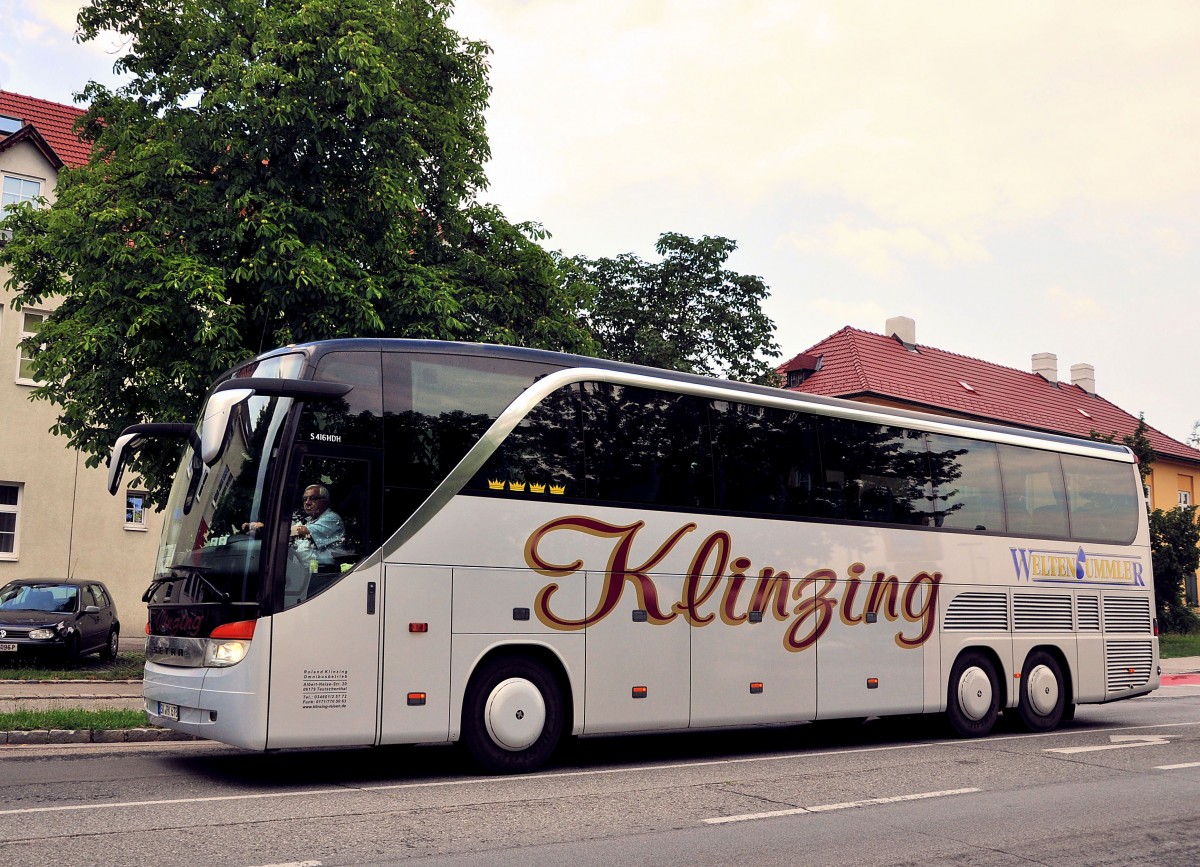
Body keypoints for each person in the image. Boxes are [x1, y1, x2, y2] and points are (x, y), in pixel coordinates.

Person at [290, 484, 345, 567]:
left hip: (329, 575)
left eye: (313, 498)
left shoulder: (332, 518)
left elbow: (299, 531)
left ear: (325, 501)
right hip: (305, 573)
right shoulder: (307, 522)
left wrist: (270, 529)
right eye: (304, 499)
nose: (307, 503)